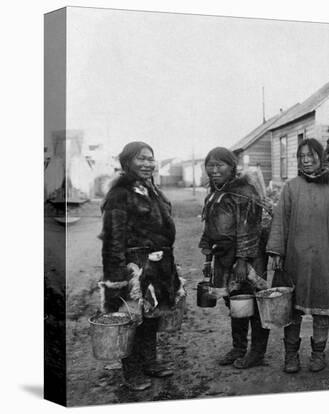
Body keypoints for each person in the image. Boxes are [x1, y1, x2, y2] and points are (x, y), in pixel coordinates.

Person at [100, 141, 182, 391]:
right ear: (127, 162)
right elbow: (113, 240)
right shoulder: (119, 194)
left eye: (150, 158)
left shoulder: (151, 189)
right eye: (141, 159)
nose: (148, 164)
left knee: (151, 316)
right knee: (132, 317)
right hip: (134, 268)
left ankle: (149, 362)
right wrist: (117, 279)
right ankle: (131, 370)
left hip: (157, 266)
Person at [267, 138, 329, 373]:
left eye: (311, 155)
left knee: (322, 307)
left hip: (324, 258)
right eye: (301, 156)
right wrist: (277, 251)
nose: (306, 160)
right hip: (294, 258)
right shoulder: (291, 187)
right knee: (292, 309)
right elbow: (280, 221)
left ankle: (318, 354)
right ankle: (291, 356)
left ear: (320, 156)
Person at [199, 147, 270, 369]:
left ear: (232, 167)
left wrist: (242, 260)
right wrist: (208, 258)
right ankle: (238, 347)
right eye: (210, 165)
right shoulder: (214, 192)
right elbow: (209, 227)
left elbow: (249, 227)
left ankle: (256, 353)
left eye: (220, 164)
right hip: (223, 257)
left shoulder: (244, 192)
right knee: (235, 304)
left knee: (253, 304)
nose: (214, 169)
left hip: (247, 259)